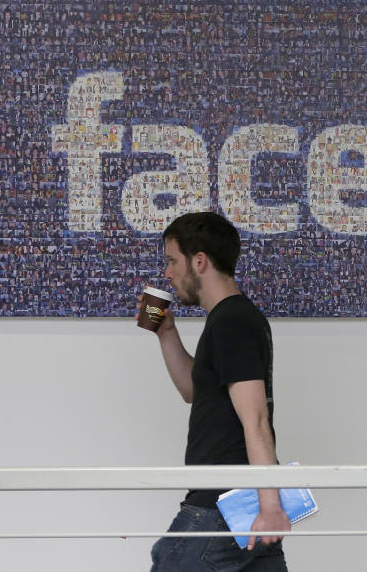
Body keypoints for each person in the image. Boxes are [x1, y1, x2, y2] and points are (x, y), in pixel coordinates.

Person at [139, 211, 290, 572]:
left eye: (173, 261)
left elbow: (255, 419)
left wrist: (271, 506)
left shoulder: (232, 322)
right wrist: (166, 333)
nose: (168, 273)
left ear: (200, 261)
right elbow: (194, 391)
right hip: (243, 506)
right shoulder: (229, 320)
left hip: (220, 506)